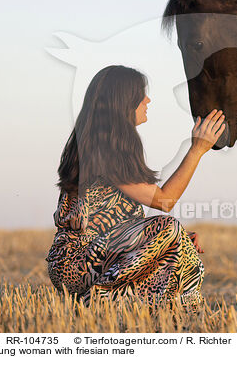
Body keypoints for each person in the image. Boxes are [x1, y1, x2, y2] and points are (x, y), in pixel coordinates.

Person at [45, 65, 225, 311]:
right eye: (142, 94)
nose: (147, 100)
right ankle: (97, 303)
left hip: (95, 256)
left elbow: (118, 225)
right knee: (169, 226)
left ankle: (166, 313)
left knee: (182, 247)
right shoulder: (105, 148)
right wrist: (197, 149)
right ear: (124, 100)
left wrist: (173, 240)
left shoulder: (102, 142)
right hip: (77, 263)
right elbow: (164, 201)